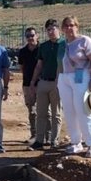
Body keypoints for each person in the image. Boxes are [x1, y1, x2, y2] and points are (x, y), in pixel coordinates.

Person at [58, 16, 91, 158]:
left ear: (77, 26)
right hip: (65, 78)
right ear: (63, 29)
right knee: (69, 111)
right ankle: (76, 142)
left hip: (81, 76)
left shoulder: (84, 40)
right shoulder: (64, 43)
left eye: (72, 25)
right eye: (66, 26)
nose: (69, 28)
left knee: (83, 110)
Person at [29, 19, 65, 149]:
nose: (50, 32)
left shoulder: (65, 44)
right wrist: (33, 82)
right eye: (48, 30)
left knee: (56, 114)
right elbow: (39, 65)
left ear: (58, 29)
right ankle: (39, 140)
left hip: (58, 83)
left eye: (53, 29)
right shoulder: (43, 46)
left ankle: (54, 141)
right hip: (43, 82)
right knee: (41, 113)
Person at [17, 27, 40, 143]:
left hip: (41, 83)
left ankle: (46, 135)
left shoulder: (42, 49)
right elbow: (21, 68)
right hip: (27, 84)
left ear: (37, 35)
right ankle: (34, 134)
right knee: (32, 110)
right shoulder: (22, 52)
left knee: (45, 111)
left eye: (32, 35)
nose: (30, 38)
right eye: (28, 36)